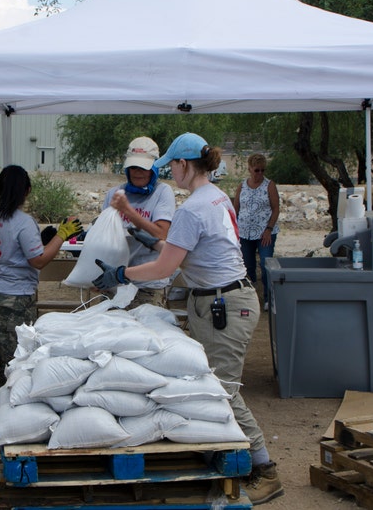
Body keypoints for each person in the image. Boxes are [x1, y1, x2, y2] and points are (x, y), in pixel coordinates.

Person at [93, 133, 284, 505]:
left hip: (225, 305)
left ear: (184, 165)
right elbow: (182, 247)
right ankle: (223, 452)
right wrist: (144, 236)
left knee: (223, 390)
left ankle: (265, 468)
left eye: (171, 167)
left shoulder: (194, 207)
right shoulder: (215, 198)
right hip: (222, 301)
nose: (169, 175)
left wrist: (121, 275)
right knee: (210, 384)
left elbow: (166, 266)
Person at [0, 166, 82, 415]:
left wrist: (46, 238)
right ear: (27, 191)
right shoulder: (23, 222)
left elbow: (17, 248)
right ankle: (14, 407)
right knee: (17, 355)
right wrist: (61, 237)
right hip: (13, 297)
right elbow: (37, 260)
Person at [103, 137, 176, 308]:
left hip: (148, 285)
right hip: (116, 283)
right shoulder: (114, 194)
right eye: (133, 167)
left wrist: (127, 210)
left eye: (144, 168)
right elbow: (103, 239)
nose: (138, 172)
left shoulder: (162, 192)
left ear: (154, 169)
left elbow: (161, 233)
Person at [232, 153, 280, 311]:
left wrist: (269, 229)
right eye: (257, 170)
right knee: (247, 265)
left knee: (266, 263)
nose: (259, 174)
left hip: (264, 232)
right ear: (250, 169)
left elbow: (275, 208)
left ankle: (269, 297)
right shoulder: (242, 186)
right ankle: (250, 296)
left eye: (262, 170)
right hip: (245, 232)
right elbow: (236, 209)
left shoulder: (269, 185)